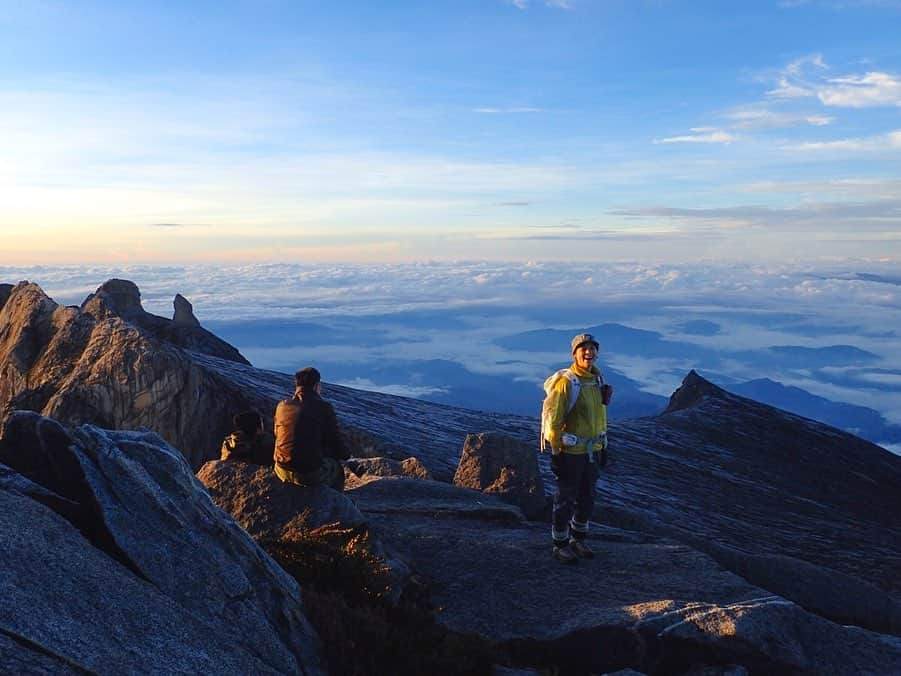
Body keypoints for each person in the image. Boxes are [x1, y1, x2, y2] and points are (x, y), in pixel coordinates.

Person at [545, 333, 613, 563]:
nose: (588, 352)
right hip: (571, 453)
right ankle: (560, 544)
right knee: (565, 498)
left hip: (592, 451)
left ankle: (578, 539)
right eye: (583, 349)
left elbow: (600, 418)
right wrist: (556, 454)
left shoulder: (597, 380)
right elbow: (554, 422)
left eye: (592, 348)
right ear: (574, 354)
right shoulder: (567, 382)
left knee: (587, 497)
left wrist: (604, 445)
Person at [273, 366, 348, 491]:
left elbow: (277, 433)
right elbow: (334, 441)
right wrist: (347, 457)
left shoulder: (282, 406)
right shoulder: (323, 407)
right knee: (336, 468)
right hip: (308, 475)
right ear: (316, 385)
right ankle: (334, 503)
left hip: (281, 469)